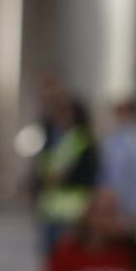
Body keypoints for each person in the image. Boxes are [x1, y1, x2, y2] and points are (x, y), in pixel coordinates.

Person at [32, 85, 100, 257]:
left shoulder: (78, 140)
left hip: (72, 210)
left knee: (67, 254)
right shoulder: (54, 136)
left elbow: (59, 173)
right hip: (52, 208)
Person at [99, 98, 136, 227]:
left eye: (124, 112)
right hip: (112, 200)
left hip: (133, 203)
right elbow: (107, 172)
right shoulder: (111, 139)